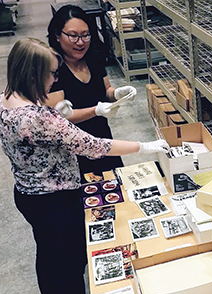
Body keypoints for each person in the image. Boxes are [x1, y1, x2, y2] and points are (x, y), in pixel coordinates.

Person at [0, 37, 168, 294]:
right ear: (33, 75)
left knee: (49, 250)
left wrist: (62, 112)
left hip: (27, 193)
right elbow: (93, 145)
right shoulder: (38, 118)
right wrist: (144, 145)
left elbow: (32, 135)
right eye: (51, 73)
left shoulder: (2, 100)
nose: (54, 78)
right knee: (70, 256)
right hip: (55, 198)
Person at [47, 4, 137, 181]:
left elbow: (106, 91)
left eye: (85, 35)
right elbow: (57, 117)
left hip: (102, 139)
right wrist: (95, 110)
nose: (80, 42)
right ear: (58, 35)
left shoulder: (93, 57)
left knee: (115, 187)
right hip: (73, 147)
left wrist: (117, 93)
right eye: (73, 36)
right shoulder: (52, 68)